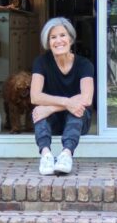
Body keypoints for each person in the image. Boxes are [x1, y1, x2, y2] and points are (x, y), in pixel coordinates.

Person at [30, 17, 94, 175]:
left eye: (62, 35)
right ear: (48, 41)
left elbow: (86, 98)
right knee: (39, 111)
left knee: (77, 109)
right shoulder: (41, 62)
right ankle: (46, 155)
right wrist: (66, 102)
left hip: (78, 122)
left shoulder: (84, 64)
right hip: (54, 121)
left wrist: (51, 107)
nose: (58, 41)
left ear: (71, 39)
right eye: (53, 37)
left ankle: (66, 154)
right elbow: (35, 96)